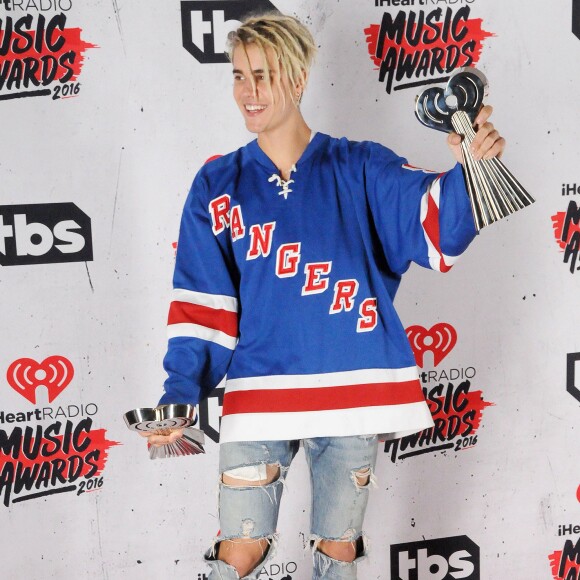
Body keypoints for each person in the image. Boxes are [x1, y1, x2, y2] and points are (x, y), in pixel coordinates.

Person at [140, 12, 505, 580]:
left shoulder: (359, 165)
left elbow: (435, 226)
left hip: (352, 390)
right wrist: (180, 391)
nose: (249, 92)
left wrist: (471, 170)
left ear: (298, 78)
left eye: (263, 75)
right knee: (238, 551)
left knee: (337, 552)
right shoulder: (217, 184)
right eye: (239, 75)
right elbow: (203, 306)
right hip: (259, 391)